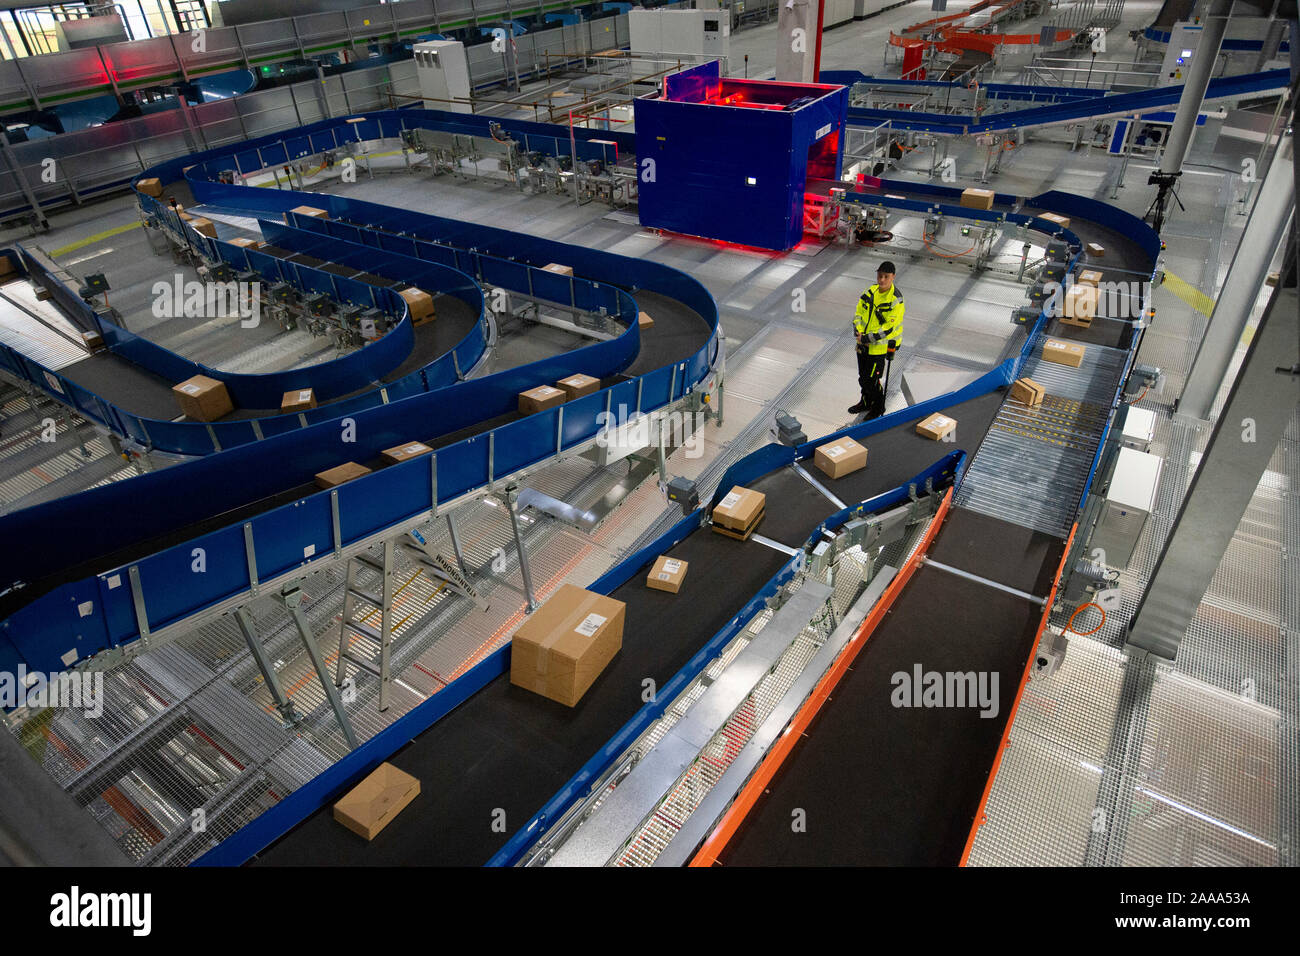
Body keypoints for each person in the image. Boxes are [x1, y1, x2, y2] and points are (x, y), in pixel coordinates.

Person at [849, 261, 905, 418]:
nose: (881, 280)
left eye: (886, 277)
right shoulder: (870, 291)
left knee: (871, 380)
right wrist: (857, 330)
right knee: (863, 377)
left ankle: (878, 407)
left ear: (893, 277)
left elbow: (888, 328)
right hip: (862, 344)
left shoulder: (896, 299)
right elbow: (859, 311)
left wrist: (866, 338)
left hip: (879, 348)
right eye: (880, 276)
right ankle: (866, 402)